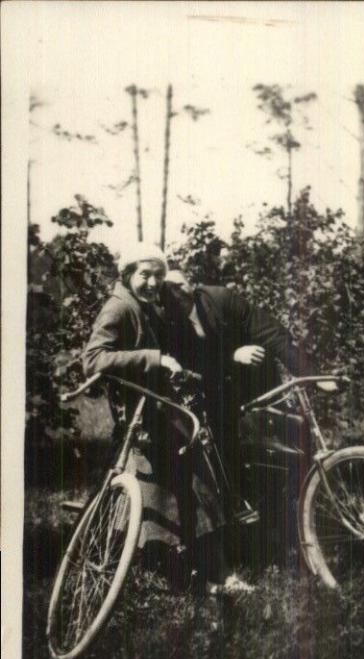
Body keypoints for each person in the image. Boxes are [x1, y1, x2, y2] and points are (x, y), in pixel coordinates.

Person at [160, 269, 338, 551]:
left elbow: (272, 333)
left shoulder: (220, 299)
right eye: (167, 288)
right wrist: (231, 357)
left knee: (289, 445)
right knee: (234, 459)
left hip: (258, 382)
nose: (175, 292)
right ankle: (252, 533)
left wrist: (313, 375)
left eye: (179, 284)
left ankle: (297, 521)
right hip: (215, 392)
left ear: (191, 284)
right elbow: (189, 364)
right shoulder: (168, 322)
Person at [82, 242, 226, 588]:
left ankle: (202, 569)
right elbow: (94, 360)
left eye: (158, 276)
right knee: (162, 491)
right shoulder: (118, 308)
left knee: (192, 482)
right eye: (144, 274)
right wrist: (153, 359)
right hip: (139, 417)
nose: (151, 282)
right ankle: (175, 570)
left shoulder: (146, 307)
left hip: (156, 411)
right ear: (128, 274)